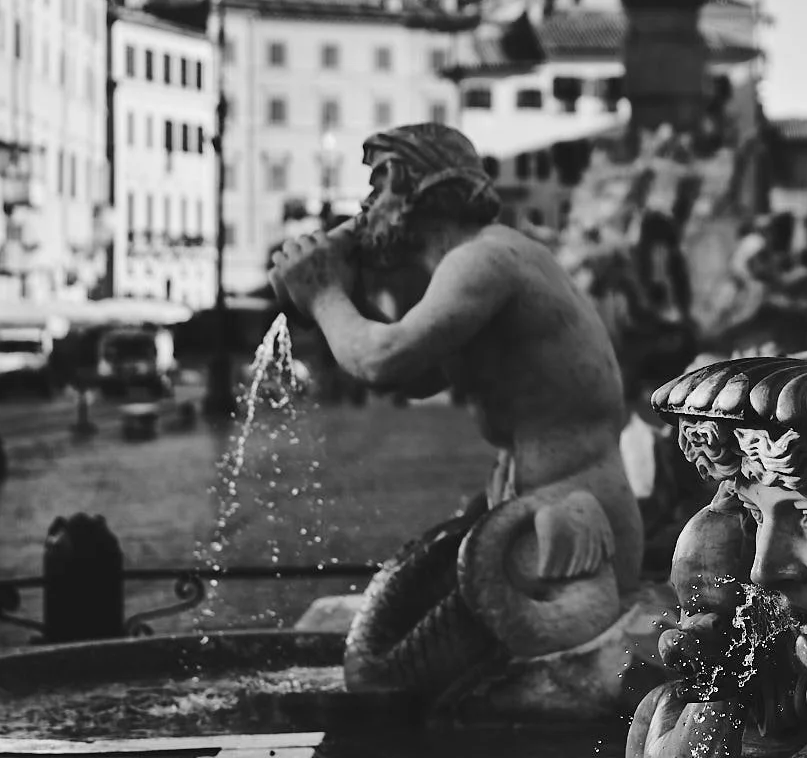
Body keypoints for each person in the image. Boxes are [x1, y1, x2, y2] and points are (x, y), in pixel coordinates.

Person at [270, 122, 646, 696]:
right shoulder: (479, 262)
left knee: (392, 680)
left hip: (568, 527)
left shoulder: (484, 262)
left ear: (410, 187)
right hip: (536, 510)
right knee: (393, 646)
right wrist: (346, 288)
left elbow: (383, 360)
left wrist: (323, 293)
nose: (366, 206)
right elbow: (420, 377)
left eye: (377, 185)